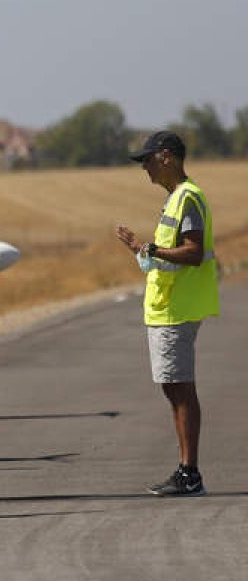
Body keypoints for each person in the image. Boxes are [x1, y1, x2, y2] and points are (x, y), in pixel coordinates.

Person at [115, 131, 219, 497]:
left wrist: (149, 248)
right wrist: (141, 250)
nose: (143, 167)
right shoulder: (175, 199)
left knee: (180, 388)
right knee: (173, 387)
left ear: (166, 157)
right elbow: (164, 257)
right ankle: (186, 471)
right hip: (168, 307)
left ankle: (190, 473)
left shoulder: (187, 198)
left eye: (146, 160)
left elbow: (192, 252)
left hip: (178, 308)